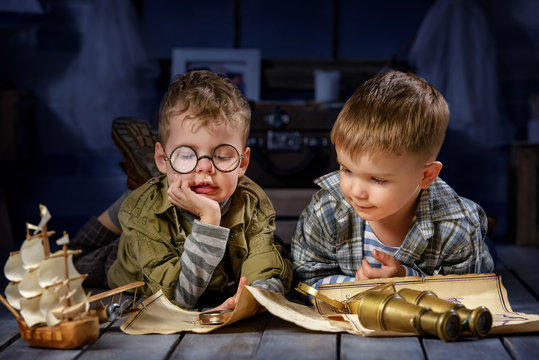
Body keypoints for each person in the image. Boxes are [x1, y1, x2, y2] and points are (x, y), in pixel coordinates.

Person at [74, 70, 292, 310]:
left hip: (218, 272)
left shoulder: (253, 201)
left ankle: (160, 174)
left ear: (242, 163)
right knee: (72, 262)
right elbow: (178, 299)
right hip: (124, 258)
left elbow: (264, 266)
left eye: (222, 155)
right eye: (188, 154)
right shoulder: (144, 215)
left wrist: (256, 294)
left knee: (280, 256)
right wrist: (210, 219)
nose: (205, 168)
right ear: (162, 157)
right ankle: (143, 187)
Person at [291, 70, 494, 290]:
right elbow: (306, 277)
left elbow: (469, 291)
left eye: (377, 180)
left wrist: (406, 280)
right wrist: (354, 287)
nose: (357, 191)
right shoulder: (326, 210)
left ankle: (487, 235)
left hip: (465, 247)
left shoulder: (456, 227)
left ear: (426, 176)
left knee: (487, 255)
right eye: (346, 169)